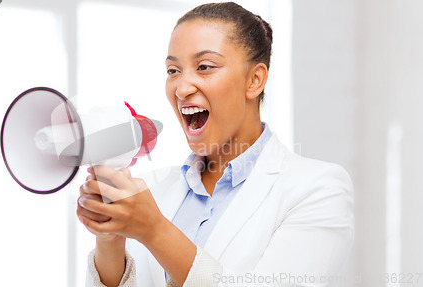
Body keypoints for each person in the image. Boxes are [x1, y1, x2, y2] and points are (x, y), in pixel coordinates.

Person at [77, 2, 354, 286]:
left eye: (204, 67)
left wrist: (155, 230)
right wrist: (110, 239)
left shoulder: (319, 189)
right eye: (173, 70)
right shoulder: (151, 190)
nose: (182, 88)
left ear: (254, 80)